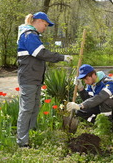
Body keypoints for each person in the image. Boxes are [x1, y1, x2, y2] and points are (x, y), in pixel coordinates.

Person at [16, 12, 73, 147]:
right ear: (39, 21)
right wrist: (62, 57)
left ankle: (30, 135)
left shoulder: (32, 35)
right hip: (29, 78)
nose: (45, 28)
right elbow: (40, 53)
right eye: (45, 25)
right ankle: (22, 142)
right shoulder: (29, 35)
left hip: (34, 78)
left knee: (34, 108)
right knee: (26, 109)